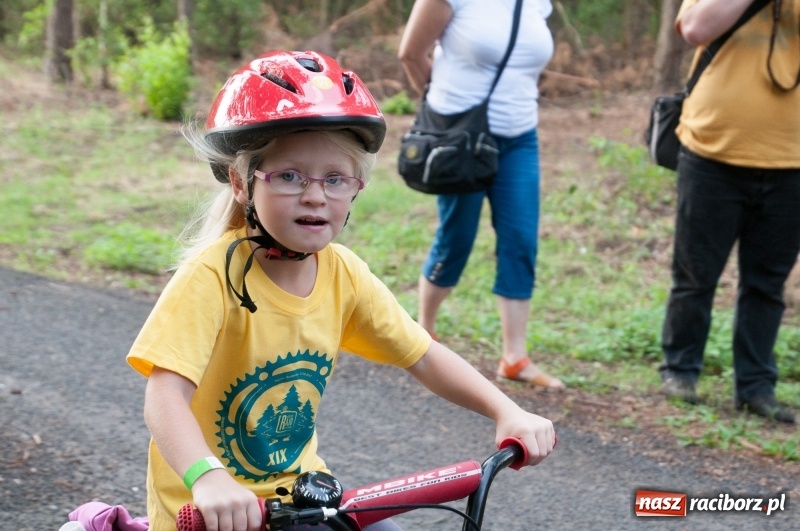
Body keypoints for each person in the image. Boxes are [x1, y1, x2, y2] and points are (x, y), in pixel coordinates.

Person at [124, 50, 556, 531]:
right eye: (289, 176)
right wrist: (209, 479)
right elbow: (163, 397)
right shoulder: (212, 278)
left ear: (356, 189)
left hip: (307, 505)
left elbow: (423, 355)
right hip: (213, 514)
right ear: (242, 184)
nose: (315, 195)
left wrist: (506, 411)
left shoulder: (342, 274)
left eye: (335, 179)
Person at [397, 0, 565, 389]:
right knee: (457, 238)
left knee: (521, 239)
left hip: (520, 137)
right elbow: (410, 53)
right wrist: (443, 109)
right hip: (463, 138)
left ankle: (514, 358)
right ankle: (425, 334)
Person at [659, 0, 800, 424]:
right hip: (711, 154)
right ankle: (681, 370)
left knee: (767, 285)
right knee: (695, 275)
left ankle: (756, 386)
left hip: (791, 162)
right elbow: (696, 28)